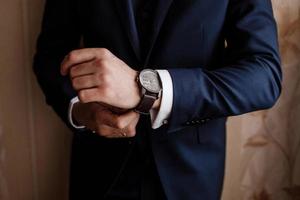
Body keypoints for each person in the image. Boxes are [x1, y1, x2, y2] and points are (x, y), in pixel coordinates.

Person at [33, 0, 282, 199]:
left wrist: (145, 88)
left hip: (191, 174)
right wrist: (79, 110)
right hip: (99, 170)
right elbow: (50, 56)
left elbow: (263, 76)